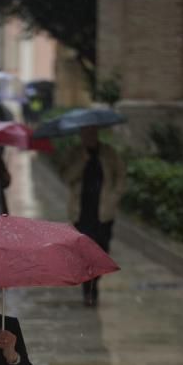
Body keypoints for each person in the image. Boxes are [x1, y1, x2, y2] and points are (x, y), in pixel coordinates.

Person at [64, 125, 125, 306]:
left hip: (103, 212)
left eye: (91, 133)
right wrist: (82, 161)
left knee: (101, 252)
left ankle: (94, 283)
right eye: (85, 134)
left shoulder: (108, 152)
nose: (88, 137)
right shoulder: (75, 153)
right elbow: (67, 177)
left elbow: (120, 175)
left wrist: (115, 196)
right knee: (84, 255)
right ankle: (88, 291)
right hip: (81, 213)